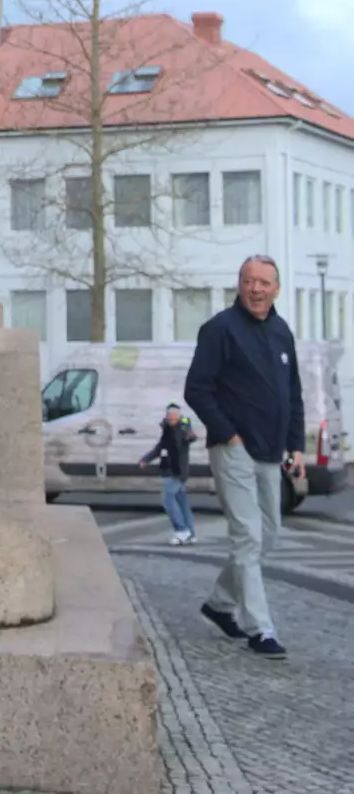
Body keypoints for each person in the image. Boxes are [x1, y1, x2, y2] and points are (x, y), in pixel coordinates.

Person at [184, 255, 305, 659]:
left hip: (271, 452)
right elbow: (197, 389)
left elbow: (293, 393)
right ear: (239, 285)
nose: (257, 289)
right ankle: (260, 629)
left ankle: (219, 603)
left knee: (268, 534)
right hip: (233, 449)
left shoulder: (282, 331)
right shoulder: (219, 329)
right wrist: (228, 434)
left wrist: (297, 445)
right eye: (250, 281)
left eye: (265, 283)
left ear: (277, 289)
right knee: (248, 535)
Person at [139, 404, 197, 545]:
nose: (171, 419)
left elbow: (190, 437)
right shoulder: (167, 429)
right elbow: (160, 447)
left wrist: (189, 433)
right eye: (169, 417)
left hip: (176, 472)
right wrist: (146, 459)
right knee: (181, 501)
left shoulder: (182, 428)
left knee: (168, 499)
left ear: (178, 417)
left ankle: (181, 530)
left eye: (173, 417)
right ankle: (190, 533)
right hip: (171, 470)